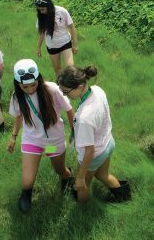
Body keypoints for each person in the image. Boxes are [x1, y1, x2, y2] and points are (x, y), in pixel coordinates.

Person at [7, 59, 75, 214]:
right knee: (27, 181)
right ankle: (26, 193)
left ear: (38, 79)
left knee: (60, 170)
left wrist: (73, 131)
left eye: (33, 84)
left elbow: (69, 109)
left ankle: (67, 177)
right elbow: (18, 117)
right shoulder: (17, 97)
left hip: (52, 142)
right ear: (18, 84)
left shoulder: (52, 89)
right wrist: (13, 137)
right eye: (25, 87)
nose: (30, 89)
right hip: (32, 141)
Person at [57, 66, 131, 203]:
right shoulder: (97, 90)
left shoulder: (85, 118)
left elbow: (89, 151)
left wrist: (80, 177)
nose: (64, 95)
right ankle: (124, 198)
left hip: (94, 154)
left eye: (66, 92)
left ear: (80, 87)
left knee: (83, 185)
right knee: (103, 175)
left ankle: (82, 209)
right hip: (108, 143)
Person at [35, 0, 78, 76]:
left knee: (71, 69)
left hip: (65, 43)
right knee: (58, 71)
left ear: (49, 6)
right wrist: (38, 48)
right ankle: (60, 87)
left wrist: (75, 44)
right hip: (52, 46)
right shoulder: (41, 16)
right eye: (39, 10)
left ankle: (73, 87)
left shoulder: (62, 11)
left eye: (43, 9)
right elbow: (41, 33)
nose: (41, 12)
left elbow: (72, 27)